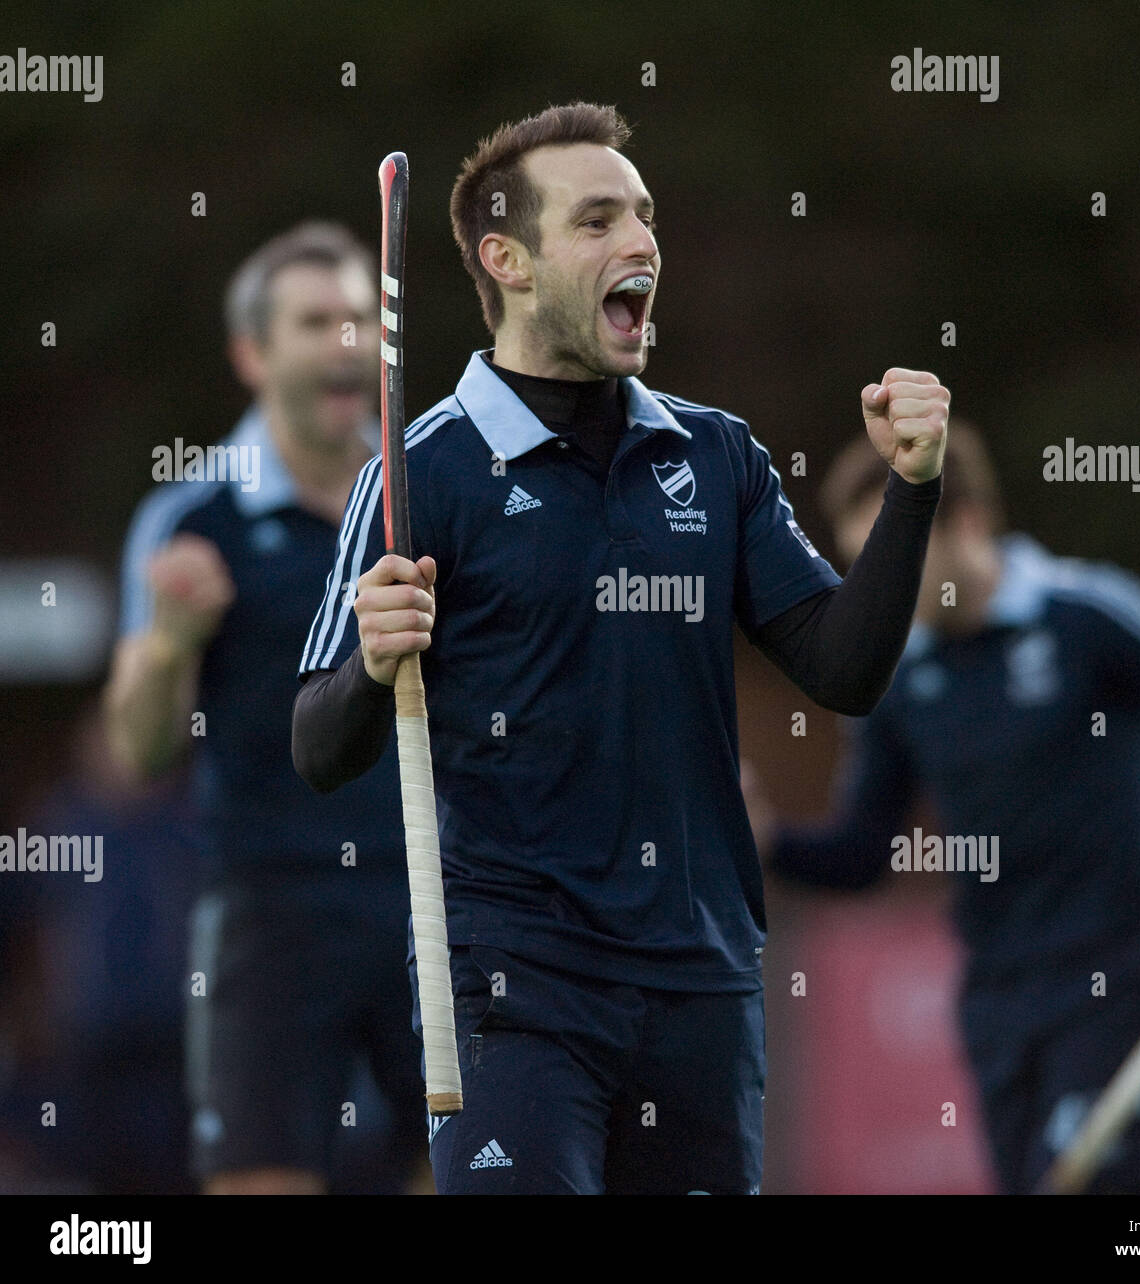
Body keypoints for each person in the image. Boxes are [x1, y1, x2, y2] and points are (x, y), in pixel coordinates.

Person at [292, 101, 949, 1194]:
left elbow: (845, 669)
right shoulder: (416, 477)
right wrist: (370, 661)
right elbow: (317, 747)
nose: (641, 242)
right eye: (596, 221)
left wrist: (911, 492)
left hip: (701, 980)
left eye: (643, 216)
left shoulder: (717, 454)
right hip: (512, 980)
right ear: (506, 260)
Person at [748, 420, 1140, 1194]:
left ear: (967, 521)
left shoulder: (1088, 612)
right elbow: (865, 854)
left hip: (1122, 970)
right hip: (998, 998)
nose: (877, 586)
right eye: (861, 564)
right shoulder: (896, 677)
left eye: (892, 554)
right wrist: (768, 842)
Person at [105, 223, 427, 1195]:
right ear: (252, 354)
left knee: (476, 1176)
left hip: (435, 905)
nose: (344, 341)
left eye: (359, 319)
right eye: (313, 321)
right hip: (270, 909)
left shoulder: (429, 497)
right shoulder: (189, 520)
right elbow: (138, 752)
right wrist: (168, 643)